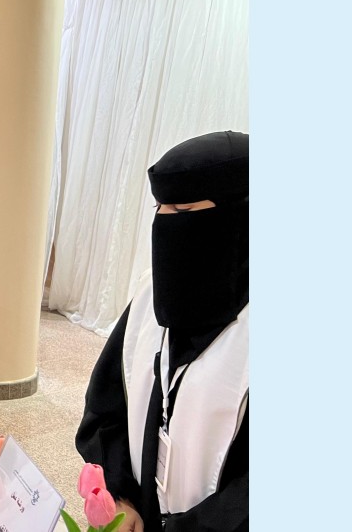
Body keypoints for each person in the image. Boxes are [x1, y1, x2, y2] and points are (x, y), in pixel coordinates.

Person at [75, 131, 249, 531]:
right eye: (160, 208)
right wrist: (120, 497)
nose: (166, 224)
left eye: (183, 209)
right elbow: (105, 409)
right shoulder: (150, 299)